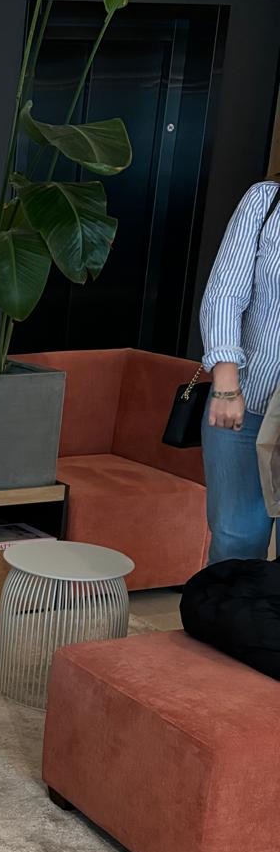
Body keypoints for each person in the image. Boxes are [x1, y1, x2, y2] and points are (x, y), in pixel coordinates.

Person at [200, 176, 280, 563]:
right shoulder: (266, 202)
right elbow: (224, 294)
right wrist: (226, 385)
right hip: (249, 406)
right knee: (236, 541)